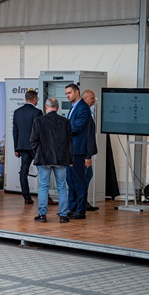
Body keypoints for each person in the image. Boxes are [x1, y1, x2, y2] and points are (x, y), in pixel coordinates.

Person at [30, 98, 73, 223]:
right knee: (62, 187)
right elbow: (69, 143)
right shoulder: (65, 121)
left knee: (43, 186)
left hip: (44, 158)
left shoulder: (39, 120)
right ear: (57, 107)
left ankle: (42, 215)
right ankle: (63, 215)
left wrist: (38, 153)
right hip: (61, 159)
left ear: (46, 107)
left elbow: (33, 140)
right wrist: (70, 159)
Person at [64, 83, 91, 219]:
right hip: (70, 150)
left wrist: (62, 130)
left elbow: (77, 127)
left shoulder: (83, 108)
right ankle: (72, 207)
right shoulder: (74, 107)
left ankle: (81, 210)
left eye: (69, 93)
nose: (67, 96)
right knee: (70, 180)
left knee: (79, 181)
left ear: (77, 92)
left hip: (78, 150)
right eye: (66, 94)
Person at [12, 90, 42, 205]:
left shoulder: (17, 112)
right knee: (43, 172)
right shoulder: (37, 112)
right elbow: (40, 131)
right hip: (36, 147)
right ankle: (46, 197)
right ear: (34, 99)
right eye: (37, 99)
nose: (37, 101)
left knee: (23, 172)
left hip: (23, 147)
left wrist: (16, 148)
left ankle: (27, 197)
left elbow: (15, 131)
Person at [82, 89, 99, 211]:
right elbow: (87, 136)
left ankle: (83, 200)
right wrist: (88, 156)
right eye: (92, 98)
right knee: (84, 176)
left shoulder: (87, 112)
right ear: (85, 99)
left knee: (88, 175)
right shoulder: (84, 114)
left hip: (85, 151)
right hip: (83, 152)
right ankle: (81, 202)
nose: (94, 101)